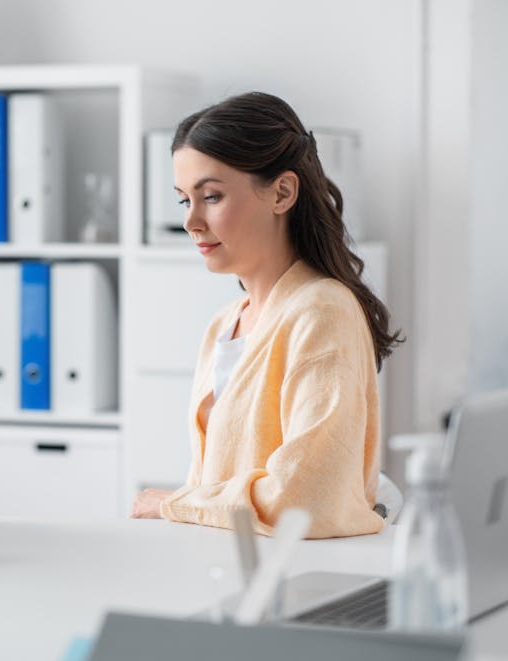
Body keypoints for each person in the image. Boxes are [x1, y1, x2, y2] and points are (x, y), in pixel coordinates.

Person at [130, 92, 402, 538]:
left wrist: (173, 504)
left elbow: (308, 500)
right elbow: (211, 487)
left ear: (282, 192)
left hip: (287, 583)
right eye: (184, 201)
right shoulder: (225, 324)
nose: (190, 221)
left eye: (211, 196)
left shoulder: (322, 311)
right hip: (218, 571)